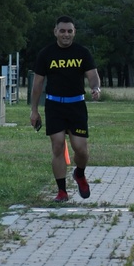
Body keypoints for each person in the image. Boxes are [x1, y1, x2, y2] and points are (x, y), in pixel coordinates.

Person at [29, 15, 102, 202]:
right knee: (58, 145)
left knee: (81, 150)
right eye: (62, 31)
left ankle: (79, 173)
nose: (66, 34)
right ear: (55, 32)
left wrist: (95, 88)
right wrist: (34, 110)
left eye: (70, 31)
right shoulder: (46, 54)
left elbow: (93, 75)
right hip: (54, 106)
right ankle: (62, 191)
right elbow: (37, 84)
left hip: (76, 105)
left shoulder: (82, 53)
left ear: (74, 32)